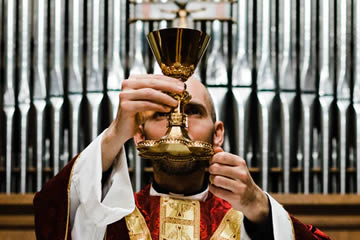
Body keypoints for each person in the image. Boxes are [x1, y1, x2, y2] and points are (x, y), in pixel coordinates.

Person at [33, 74, 330, 240]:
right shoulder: (105, 218)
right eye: (162, 114)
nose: (179, 125)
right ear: (139, 134)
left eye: (192, 111)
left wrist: (261, 210)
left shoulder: (256, 222)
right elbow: (50, 216)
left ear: (217, 134)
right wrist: (113, 135)